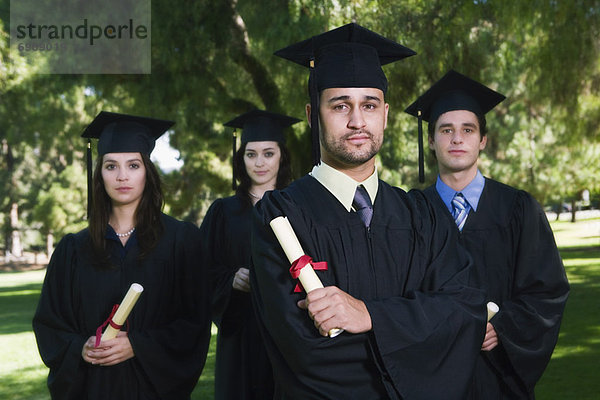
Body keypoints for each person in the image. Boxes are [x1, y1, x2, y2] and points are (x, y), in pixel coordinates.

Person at [250, 23, 488, 400]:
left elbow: (465, 311)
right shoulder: (281, 216)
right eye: (340, 105)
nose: (357, 121)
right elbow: (303, 351)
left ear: (386, 114)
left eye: (369, 105)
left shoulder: (422, 213)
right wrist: (413, 336)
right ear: (314, 115)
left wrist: (370, 315)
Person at [405, 70, 570, 399]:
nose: (456, 139)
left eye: (468, 130)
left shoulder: (518, 209)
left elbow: (547, 291)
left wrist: (504, 328)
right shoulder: (410, 212)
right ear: (432, 140)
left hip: (499, 379)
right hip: (433, 377)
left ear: (482, 140)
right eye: (446, 130)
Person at [32, 111, 212, 399]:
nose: (122, 176)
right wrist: (81, 347)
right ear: (99, 173)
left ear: (147, 172)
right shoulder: (73, 249)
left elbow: (195, 323)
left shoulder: (181, 241)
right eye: (111, 166)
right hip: (94, 388)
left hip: (154, 390)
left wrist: (137, 345)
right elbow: (50, 325)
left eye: (133, 165)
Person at [200, 109, 300, 399]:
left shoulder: (299, 206)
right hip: (240, 334)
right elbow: (201, 272)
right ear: (240, 158)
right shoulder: (223, 212)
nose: (259, 163)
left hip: (290, 331)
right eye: (251, 154)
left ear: (282, 156)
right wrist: (230, 280)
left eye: (268, 153)